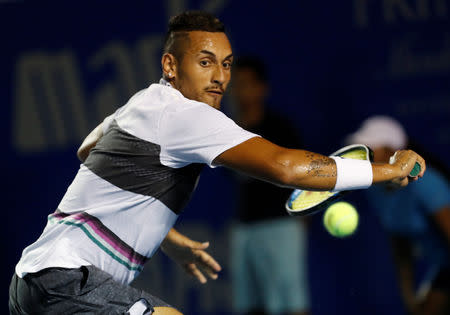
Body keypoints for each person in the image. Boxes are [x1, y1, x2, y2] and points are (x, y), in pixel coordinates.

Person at [9, 11, 426, 315]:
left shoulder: (144, 101)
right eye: (205, 62)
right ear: (171, 66)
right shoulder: (186, 115)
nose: (220, 78)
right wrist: (388, 170)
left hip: (28, 285)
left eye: (226, 65)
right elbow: (284, 167)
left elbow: (87, 150)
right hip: (67, 280)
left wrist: (167, 238)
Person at [229, 56, 309, 315]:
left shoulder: (280, 128)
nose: (242, 91)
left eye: (248, 84)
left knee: (290, 304)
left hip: (282, 225)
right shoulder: (228, 131)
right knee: (249, 306)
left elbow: (303, 176)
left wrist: (300, 221)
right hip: (245, 229)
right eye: (237, 84)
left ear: (263, 88)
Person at [346, 115, 450, 315]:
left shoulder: (425, 183)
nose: (363, 157)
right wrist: (409, 298)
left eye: (370, 149)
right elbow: (400, 244)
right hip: (440, 266)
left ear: (394, 152)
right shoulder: (375, 189)